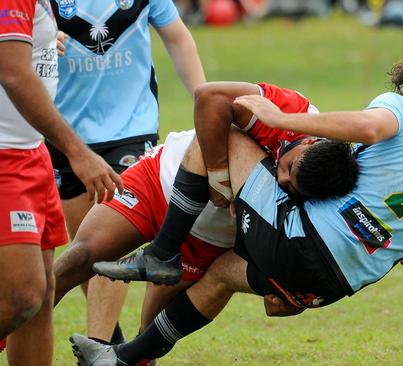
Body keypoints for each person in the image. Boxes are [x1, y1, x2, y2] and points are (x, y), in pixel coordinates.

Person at [71, 54, 403, 365]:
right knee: (223, 273)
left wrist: (280, 120)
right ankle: (124, 359)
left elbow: (367, 126)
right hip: (333, 285)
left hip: (298, 242)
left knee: (227, 127)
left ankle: (163, 253)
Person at [54, 81, 359, 337]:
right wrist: (218, 174)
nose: (281, 179)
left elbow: (303, 245)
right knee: (79, 259)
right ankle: (10, 327)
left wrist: (289, 293)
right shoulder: (294, 112)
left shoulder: (328, 187)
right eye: (288, 168)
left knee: (150, 335)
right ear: (310, 143)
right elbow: (209, 96)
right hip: (161, 179)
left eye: (290, 187)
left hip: (211, 237)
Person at [47, 0, 206, 345]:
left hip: (130, 130)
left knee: (110, 240)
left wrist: (203, 103)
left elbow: (177, 37)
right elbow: (16, 39)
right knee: (85, 249)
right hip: (64, 134)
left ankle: (101, 347)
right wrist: (40, 41)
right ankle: (114, 343)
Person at [0, 1, 122, 364]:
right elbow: (13, 73)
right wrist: (78, 152)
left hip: (30, 153)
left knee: (43, 292)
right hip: (5, 156)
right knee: (23, 295)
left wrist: (40, 42)